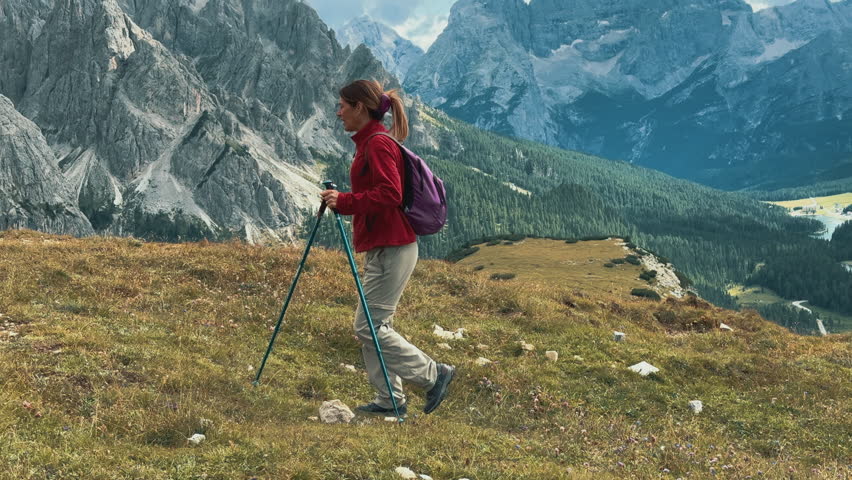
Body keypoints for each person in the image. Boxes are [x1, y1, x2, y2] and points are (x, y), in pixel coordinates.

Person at [320, 80, 455, 417]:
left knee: (368, 327)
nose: (338, 113)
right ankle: (389, 401)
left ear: (359, 108)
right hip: (385, 245)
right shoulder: (370, 141)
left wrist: (346, 201)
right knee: (372, 325)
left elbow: (391, 194)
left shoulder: (378, 144)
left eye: (342, 106)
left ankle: (433, 374)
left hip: (394, 246)